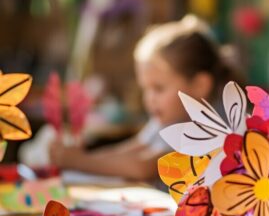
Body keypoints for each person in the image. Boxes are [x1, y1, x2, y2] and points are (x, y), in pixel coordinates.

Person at [49, 14, 242, 182]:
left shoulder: (212, 125)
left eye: (158, 89)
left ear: (200, 85)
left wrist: (79, 161)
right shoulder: (168, 118)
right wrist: (82, 156)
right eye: (146, 89)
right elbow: (134, 148)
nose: (149, 99)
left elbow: (145, 167)